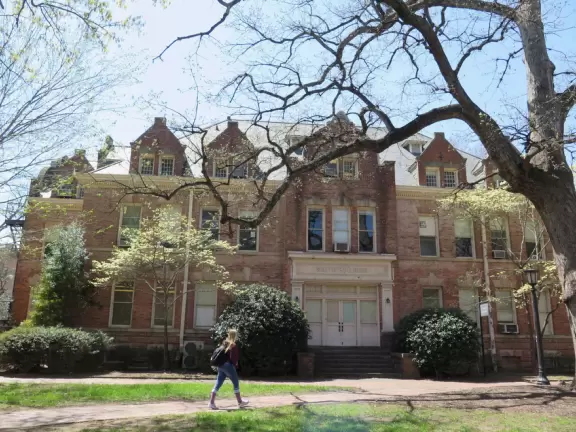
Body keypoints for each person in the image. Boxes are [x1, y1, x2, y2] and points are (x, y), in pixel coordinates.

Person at [209, 329, 249, 410]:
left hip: (221, 365)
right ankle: (240, 402)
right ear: (234, 335)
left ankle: (211, 402)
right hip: (228, 366)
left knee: (218, 382)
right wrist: (235, 366)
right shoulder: (233, 345)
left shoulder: (225, 343)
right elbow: (233, 359)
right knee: (235, 382)